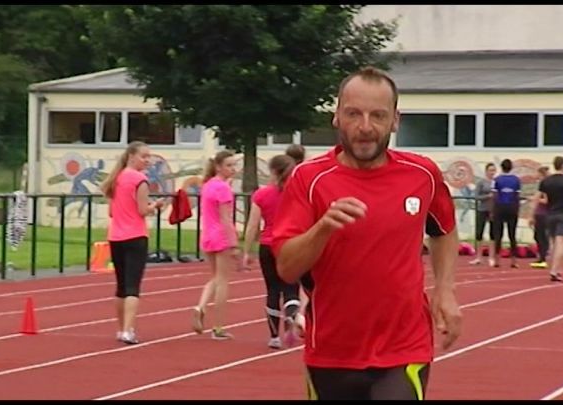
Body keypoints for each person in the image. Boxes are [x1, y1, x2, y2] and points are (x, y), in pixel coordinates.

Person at [272, 66, 462, 400]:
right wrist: (323, 228)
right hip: (331, 351)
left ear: (395, 120)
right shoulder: (308, 180)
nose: (365, 127)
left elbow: (444, 230)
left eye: (377, 115)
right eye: (353, 114)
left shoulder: (422, 174)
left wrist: (445, 290)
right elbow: (287, 267)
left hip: (405, 348)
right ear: (336, 118)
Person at [100, 141, 164, 344]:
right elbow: (142, 210)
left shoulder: (114, 179)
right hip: (135, 236)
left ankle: (121, 329)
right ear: (131, 156)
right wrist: (155, 206)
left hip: (116, 236)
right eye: (144, 156)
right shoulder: (139, 179)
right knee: (132, 286)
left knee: (120, 286)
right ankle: (128, 330)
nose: (147, 161)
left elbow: (111, 211)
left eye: (149, 157)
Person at [242, 154, 300, 349]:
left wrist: (246, 251)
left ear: (273, 172)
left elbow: (252, 225)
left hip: (267, 245)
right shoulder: (297, 193)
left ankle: (274, 336)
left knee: (272, 290)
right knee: (291, 288)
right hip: (291, 245)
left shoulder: (261, 195)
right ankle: (292, 316)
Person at [192, 150, 239, 340]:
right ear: (219, 166)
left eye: (234, 165)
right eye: (229, 165)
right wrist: (234, 242)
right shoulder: (222, 188)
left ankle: (200, 306)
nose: (233, 169)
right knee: (223, 281)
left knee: (215, 277)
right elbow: (226, 218)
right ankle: (218, 326)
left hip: (208, 235)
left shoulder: (208, 185)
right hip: (220, 236)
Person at [532, 156, 563, 282]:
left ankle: (559, 270)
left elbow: (536, 198)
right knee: (561, 244)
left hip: (549, 215)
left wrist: (532, 215)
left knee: (553, 244)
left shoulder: (546, 181)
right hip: (562, 214)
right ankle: (554, 270)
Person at [490, 159, 521, 268]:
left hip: (499, 207)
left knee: (498, 234)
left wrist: (492, 210)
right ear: (511, 167)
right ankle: (514, 261)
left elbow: (494, 196)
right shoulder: (516, 180)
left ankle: (497, 260)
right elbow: (517, 196)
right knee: (512, 235)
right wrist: (517, 209)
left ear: (501, 167)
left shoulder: (497, 179)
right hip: (512, 207)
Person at [469, 163, 496, 266]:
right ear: (486, 171)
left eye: (493, 170)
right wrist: (488, 196)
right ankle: (478, 257)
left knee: (493, 234)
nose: (492, 172)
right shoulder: (481, 182)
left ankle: (491, 257)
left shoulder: (496, 182)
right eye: (490, 170)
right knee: (479, 233)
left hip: (493, 210)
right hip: (482, 209)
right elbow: (476, 196)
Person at [529, 166, 550, 269]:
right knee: (537, 236)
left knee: (541, 236)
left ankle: (543, 257)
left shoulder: (545, 186)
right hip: (539, 213)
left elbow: (546, 200)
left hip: (543, 214)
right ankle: (541, 256)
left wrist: (535, 199)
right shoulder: (541, 185)